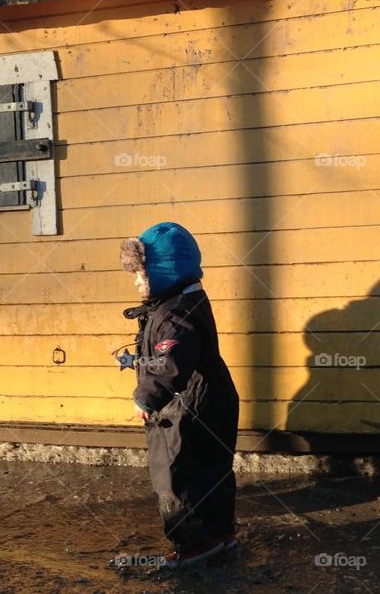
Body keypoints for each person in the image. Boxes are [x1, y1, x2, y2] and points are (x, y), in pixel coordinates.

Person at [119, 222, 240, 568]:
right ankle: (219, 533)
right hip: (210, 399)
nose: (137, 282)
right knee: (212, 470)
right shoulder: (186, 299)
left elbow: (168, 361)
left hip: (186, 409)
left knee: (176, 474)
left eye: (141, 273)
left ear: (163, 270)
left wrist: (147, 397)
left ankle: (192, 544)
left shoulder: (174, 314)